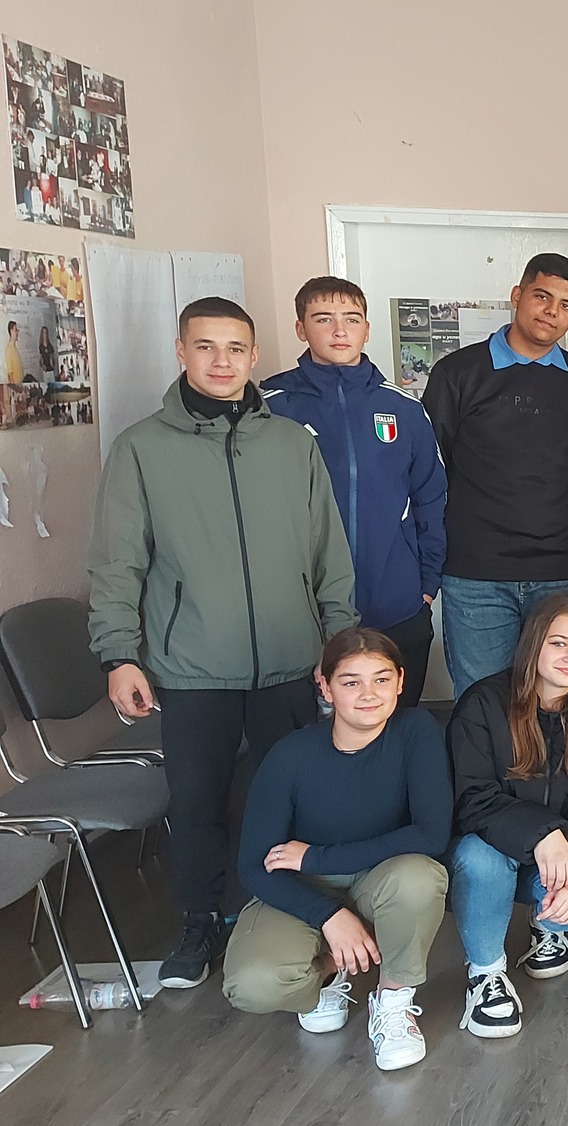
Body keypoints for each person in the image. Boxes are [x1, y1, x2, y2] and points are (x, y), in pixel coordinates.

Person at [90, 296, 357, 991]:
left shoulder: (292, 444)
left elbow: (329, 553)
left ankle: (295, 911)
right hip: (192, 666)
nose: (221, 361)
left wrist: (339, 645)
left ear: (255, 356)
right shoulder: (141, 449)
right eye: (205, 346)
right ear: (181, 351)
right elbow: (118, 562)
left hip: (291, 659)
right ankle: (201, 918)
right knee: (197, 801)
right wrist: (119, 653)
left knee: (296, 796)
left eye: (235, 348)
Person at [220, 628, 451, 1073]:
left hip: (379, 879)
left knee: (419, 878)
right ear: (324, 686)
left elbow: (431, 835)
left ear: (401, 682)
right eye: (350, 682)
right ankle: (330, 969)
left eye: (381, 679)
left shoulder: (416, 731)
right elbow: (255, 865)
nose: (369, 694)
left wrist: (317, 857)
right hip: (303, 889)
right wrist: (328, 914)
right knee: (252, 985)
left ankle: (393, 1000)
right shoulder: (290, 755)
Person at [447, 594, 568, 1039]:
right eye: (559, 643)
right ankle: (485, 973)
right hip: (491, 850)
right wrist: (542, 833)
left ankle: (545, 924)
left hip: (557, 859)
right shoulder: (484, 703)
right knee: (480, 858)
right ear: (533, 644)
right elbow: (472, 800)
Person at [262, 276, 447, 710]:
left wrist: (427, 582)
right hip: (300, 609)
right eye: (323, 319)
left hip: (396, 605)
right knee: (311, 732)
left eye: (351, 319)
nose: (339, 331)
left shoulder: (404, 407)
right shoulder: (270, 406)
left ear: (367, 328)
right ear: (301, 328)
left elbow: (431, 496)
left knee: (393, 724)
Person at [425, 252, 568, 697]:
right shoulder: (458, 373)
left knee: (557, 700)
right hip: (477, 573)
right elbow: (433, 466)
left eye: (566, 305)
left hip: (561, 570)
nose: (552, 312)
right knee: (483, 701)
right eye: (542, 297)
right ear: (517, 295)